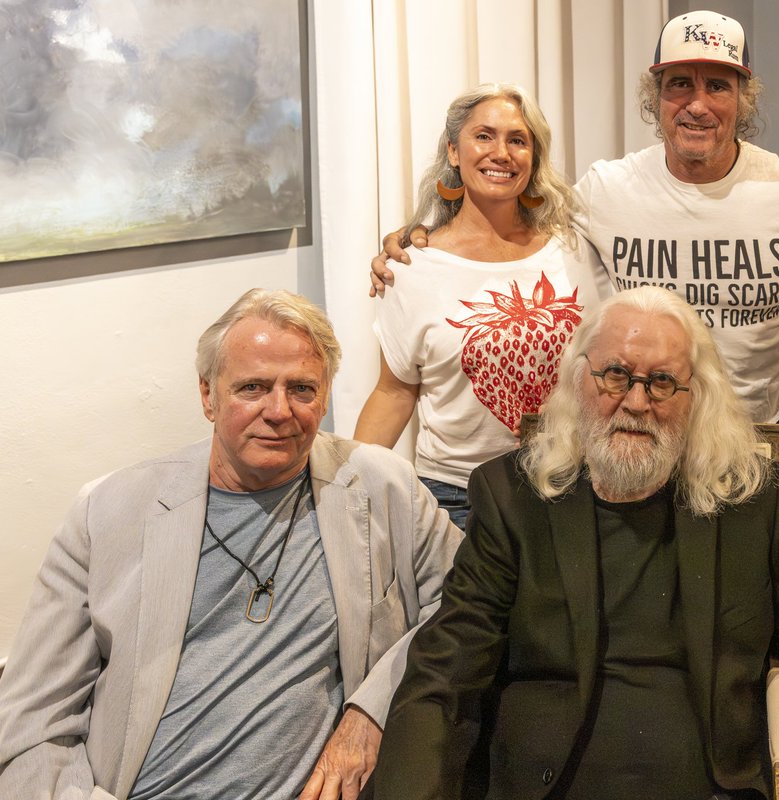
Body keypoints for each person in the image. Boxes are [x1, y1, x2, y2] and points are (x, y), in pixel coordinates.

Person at [370, 285, 779, 800]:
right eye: (615, 375)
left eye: (661, 382)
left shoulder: (749, 504)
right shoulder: (511, 498)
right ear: (579, 379)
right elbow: (443, 672)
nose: (636, 403)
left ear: (696, 396)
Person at [0, 289, 463, 800]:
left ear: (327, 394)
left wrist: (371, 711)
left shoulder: (383, 487)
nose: (279, 410)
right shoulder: (108, 513)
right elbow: (31, 725)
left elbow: (468, 609)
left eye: (303, 389)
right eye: (252, 387)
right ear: (207, 395)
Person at [371, 10, 779, 423]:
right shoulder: (607, 189)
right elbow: (516, 228)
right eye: (679, 84)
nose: (697, 105)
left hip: (759, 433)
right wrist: (425, 234)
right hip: (645, 431)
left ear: (743, 99)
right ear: (656, 97)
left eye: (718, 86)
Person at [354, 84, 611, 530]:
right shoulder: (411, 266)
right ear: (454, 151)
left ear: (533, 158)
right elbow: (395, 392)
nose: (502, 153)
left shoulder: (576, 250)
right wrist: (349, 486)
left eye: (518, 140)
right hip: (456, 497)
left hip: (567, 483)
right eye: (484, 136)